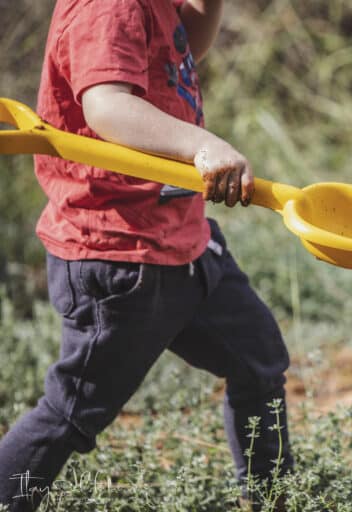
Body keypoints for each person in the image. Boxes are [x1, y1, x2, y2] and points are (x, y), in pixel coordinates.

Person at [0, 1, 292, 510]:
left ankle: (276, 500)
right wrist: (202, 145)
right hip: (119, 255)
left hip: (184, 239)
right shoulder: (108, 6)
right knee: (72, 412)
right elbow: (108, 106)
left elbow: (183, 46)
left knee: (259, 360)